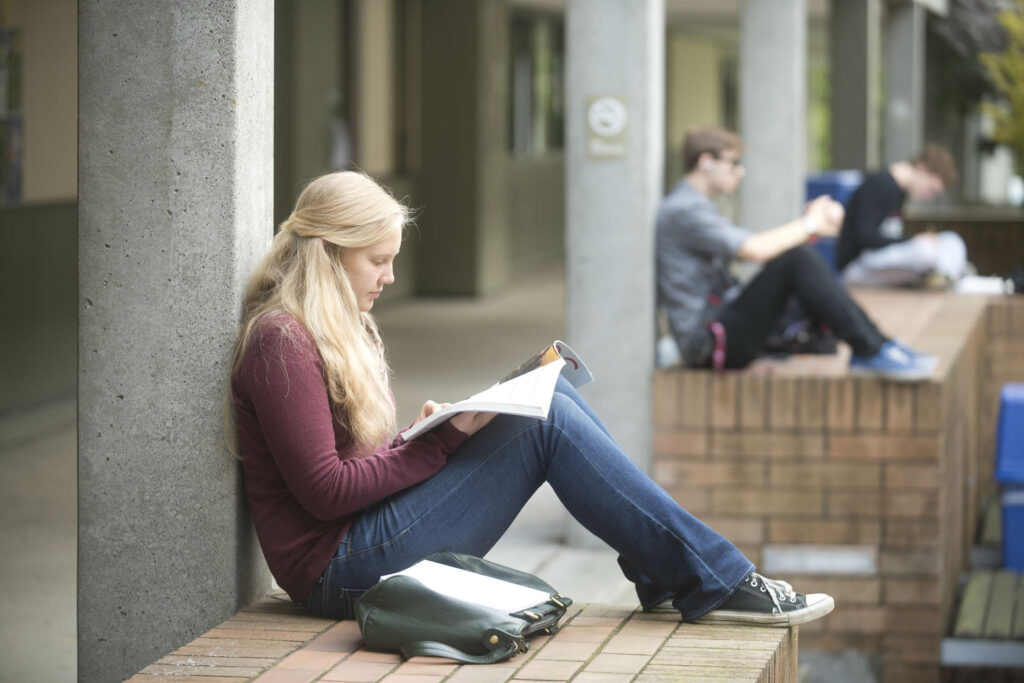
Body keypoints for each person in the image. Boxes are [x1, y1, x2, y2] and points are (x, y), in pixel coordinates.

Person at [228, 170, 834, 629]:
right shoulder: (281, 341)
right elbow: (324, 490)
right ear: (330, 252)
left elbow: (347, 459)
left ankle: (672, 571)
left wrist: (414, 438)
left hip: (363, 537)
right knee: (545, 419)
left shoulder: (338, 326)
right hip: (339, 572)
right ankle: (708, 578)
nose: (387, 278)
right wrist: (444, 443)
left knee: (551, 395)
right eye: (378, 262)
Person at [656, 126, 934, 380]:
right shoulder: (684, 210)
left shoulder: (697, 206)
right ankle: (871, 349)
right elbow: (755, 249)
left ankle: (878, 344)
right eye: (734, 163)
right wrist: (811, 224)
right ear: (707, 162)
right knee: (797, 259)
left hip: (722, 321)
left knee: (799, 262)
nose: (741, 172)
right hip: (707, 343)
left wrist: (811, 227)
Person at [838, 144, 966, 288]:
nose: (929, 197)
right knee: (924, 249)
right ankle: (937, 275)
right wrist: (912, 239)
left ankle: (942, 276)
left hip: (879, 262)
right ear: (921, 169)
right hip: (857, 267)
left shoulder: (900, 192)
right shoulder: (879, 183)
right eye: (931, 190)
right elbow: (865, 237)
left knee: (952, 240)